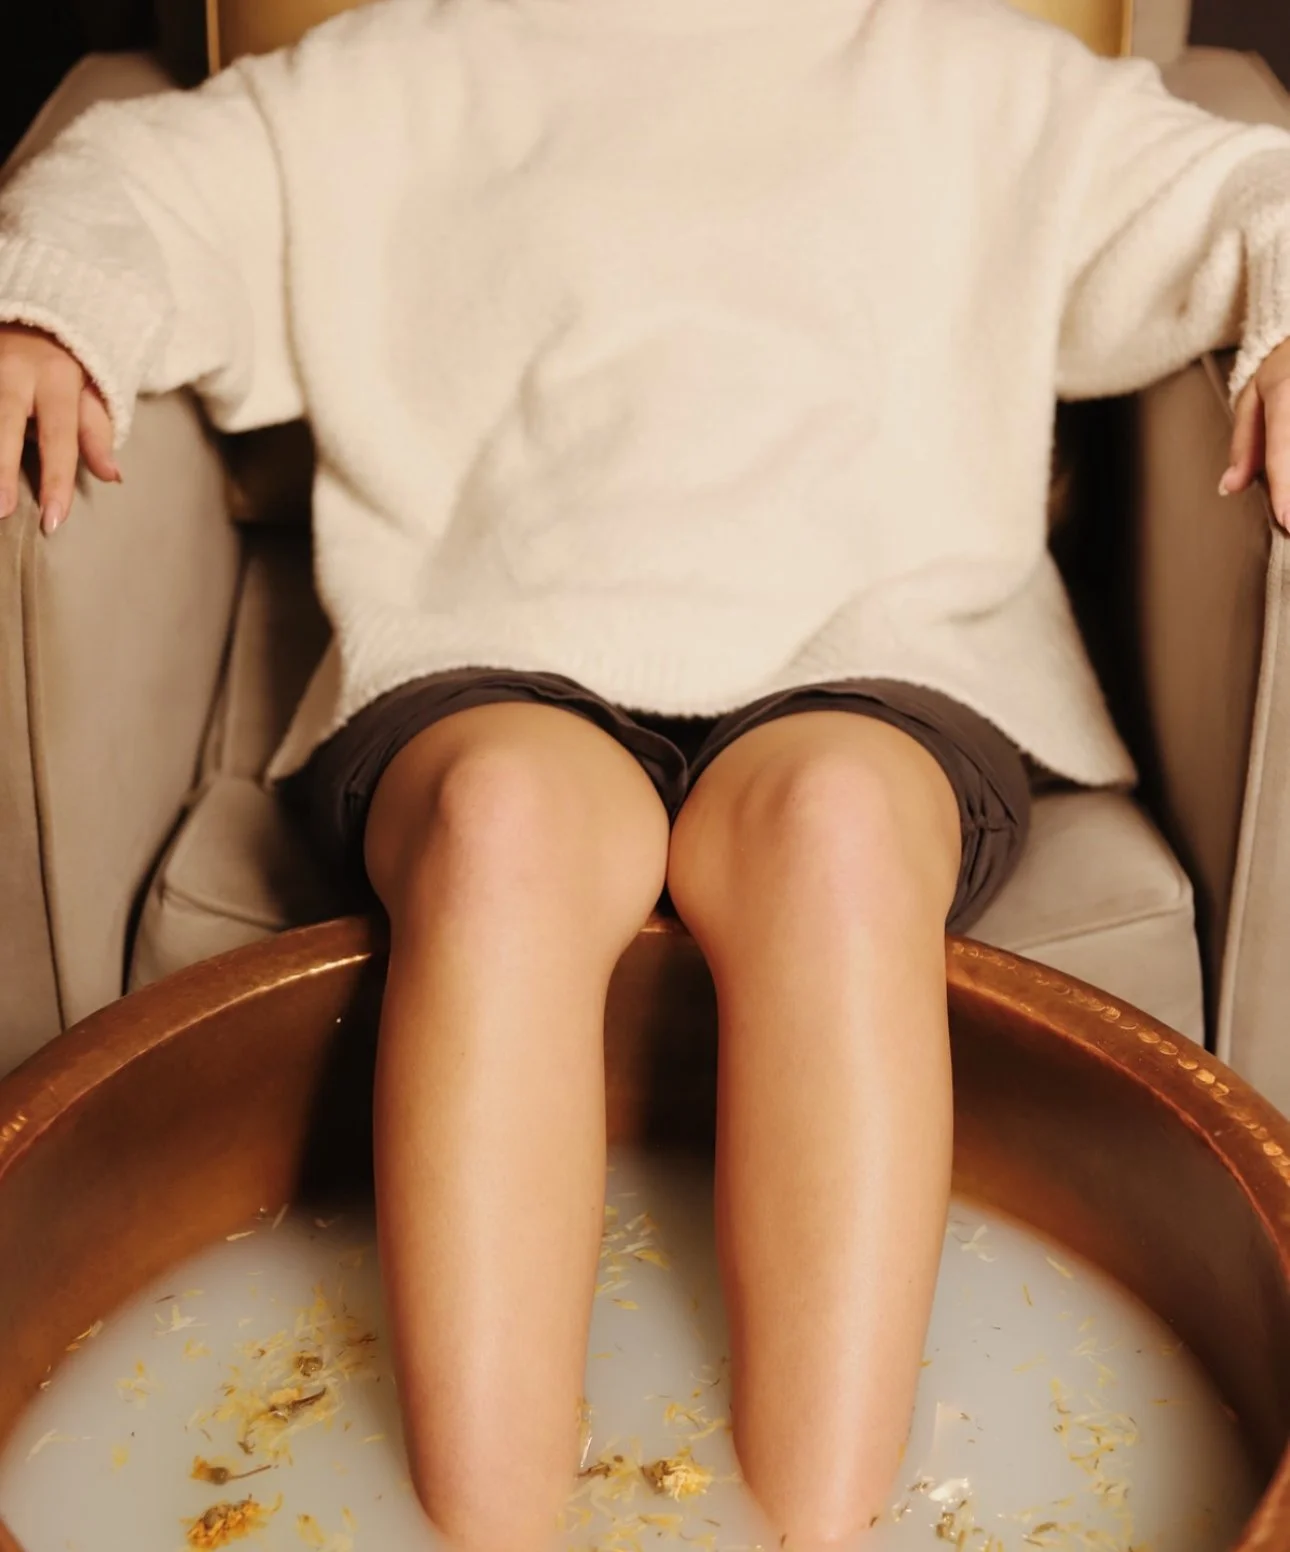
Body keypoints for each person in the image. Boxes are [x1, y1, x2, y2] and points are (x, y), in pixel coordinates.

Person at [1, 0, 1288, 1545]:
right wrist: (52, 312)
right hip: (498, 649)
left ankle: (818, 1531)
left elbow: (1230, 190)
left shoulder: (973, 73)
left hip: (869, 653)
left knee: (830, 838)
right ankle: (489, 1533)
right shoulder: (395, 70)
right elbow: (135, 180)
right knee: (503, 830)